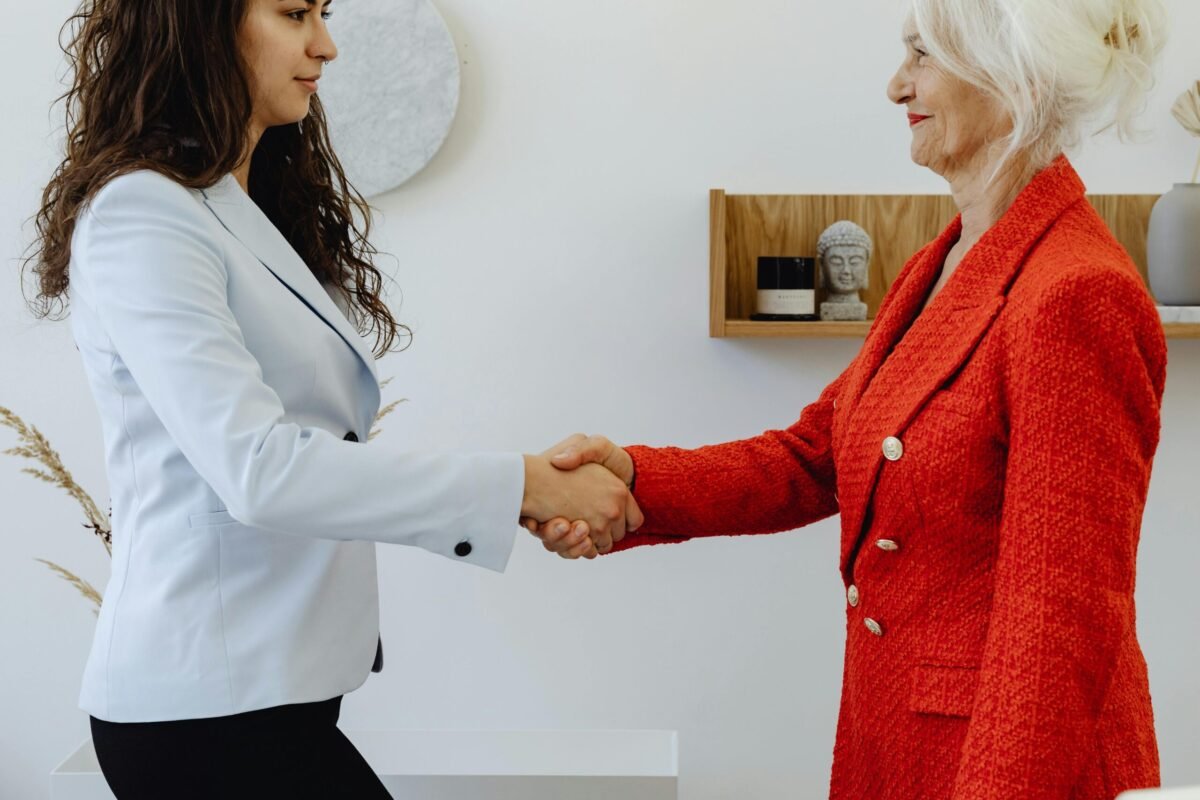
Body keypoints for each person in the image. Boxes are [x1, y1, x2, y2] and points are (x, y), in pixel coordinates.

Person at [530, 1, 1170, 797]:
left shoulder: (1077, 291)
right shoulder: (941, 264)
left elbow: (1059, 620)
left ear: (1018, 76)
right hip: (895, 739)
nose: (896, 85)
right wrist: (631, 479)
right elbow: (816, 457)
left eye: (922, 55)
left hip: (1004, 766)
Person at [21, 0, 633, 797]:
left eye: (322, 12)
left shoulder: (229, 207)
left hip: (270, 699)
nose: (327, 44)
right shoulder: (144, 215)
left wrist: (524, 494)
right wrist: (523, 484)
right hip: (204, 711)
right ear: (202, 25)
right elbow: (260, 469)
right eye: (293, 13)